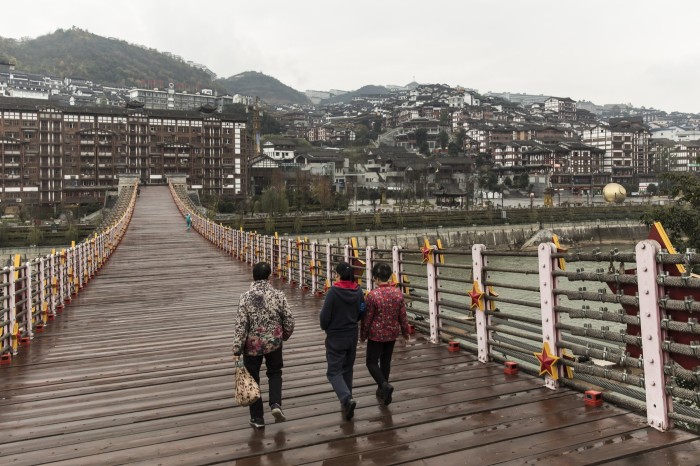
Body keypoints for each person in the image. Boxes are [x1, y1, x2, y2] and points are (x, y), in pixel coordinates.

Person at [232, 261, 295, 429]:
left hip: (252, 346)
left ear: (253, 277)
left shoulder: (245, 297)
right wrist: (284, 336)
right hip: (274, 342)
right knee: (275, 373)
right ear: (269, 277)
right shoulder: (278, 295)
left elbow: (241, 325)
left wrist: (237, 348)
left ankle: (257, 418)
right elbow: (289, 319)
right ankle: (275, 404)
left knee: (253, 379)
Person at [320, 261, 365, 421]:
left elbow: (325, 316)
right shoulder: (358, 290)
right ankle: (348, 399)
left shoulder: (333, 292)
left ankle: (346, 398)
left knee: (333, 372)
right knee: (348, 368)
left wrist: (325, 326)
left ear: (338, 275)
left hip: (336, 336)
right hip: (352, 333)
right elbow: (362, 309)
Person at [361, 262, 409, 406]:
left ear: (375, 278)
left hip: (376, 334)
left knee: (371, 362)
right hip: (392, 332)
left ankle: (384, 385)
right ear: (389, 276)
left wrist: (363, 334)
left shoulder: (372, 296)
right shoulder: (398, 293)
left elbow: (368, 318)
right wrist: (405, 331)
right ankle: (383, 390)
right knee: (386, 361)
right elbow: (403, 315)